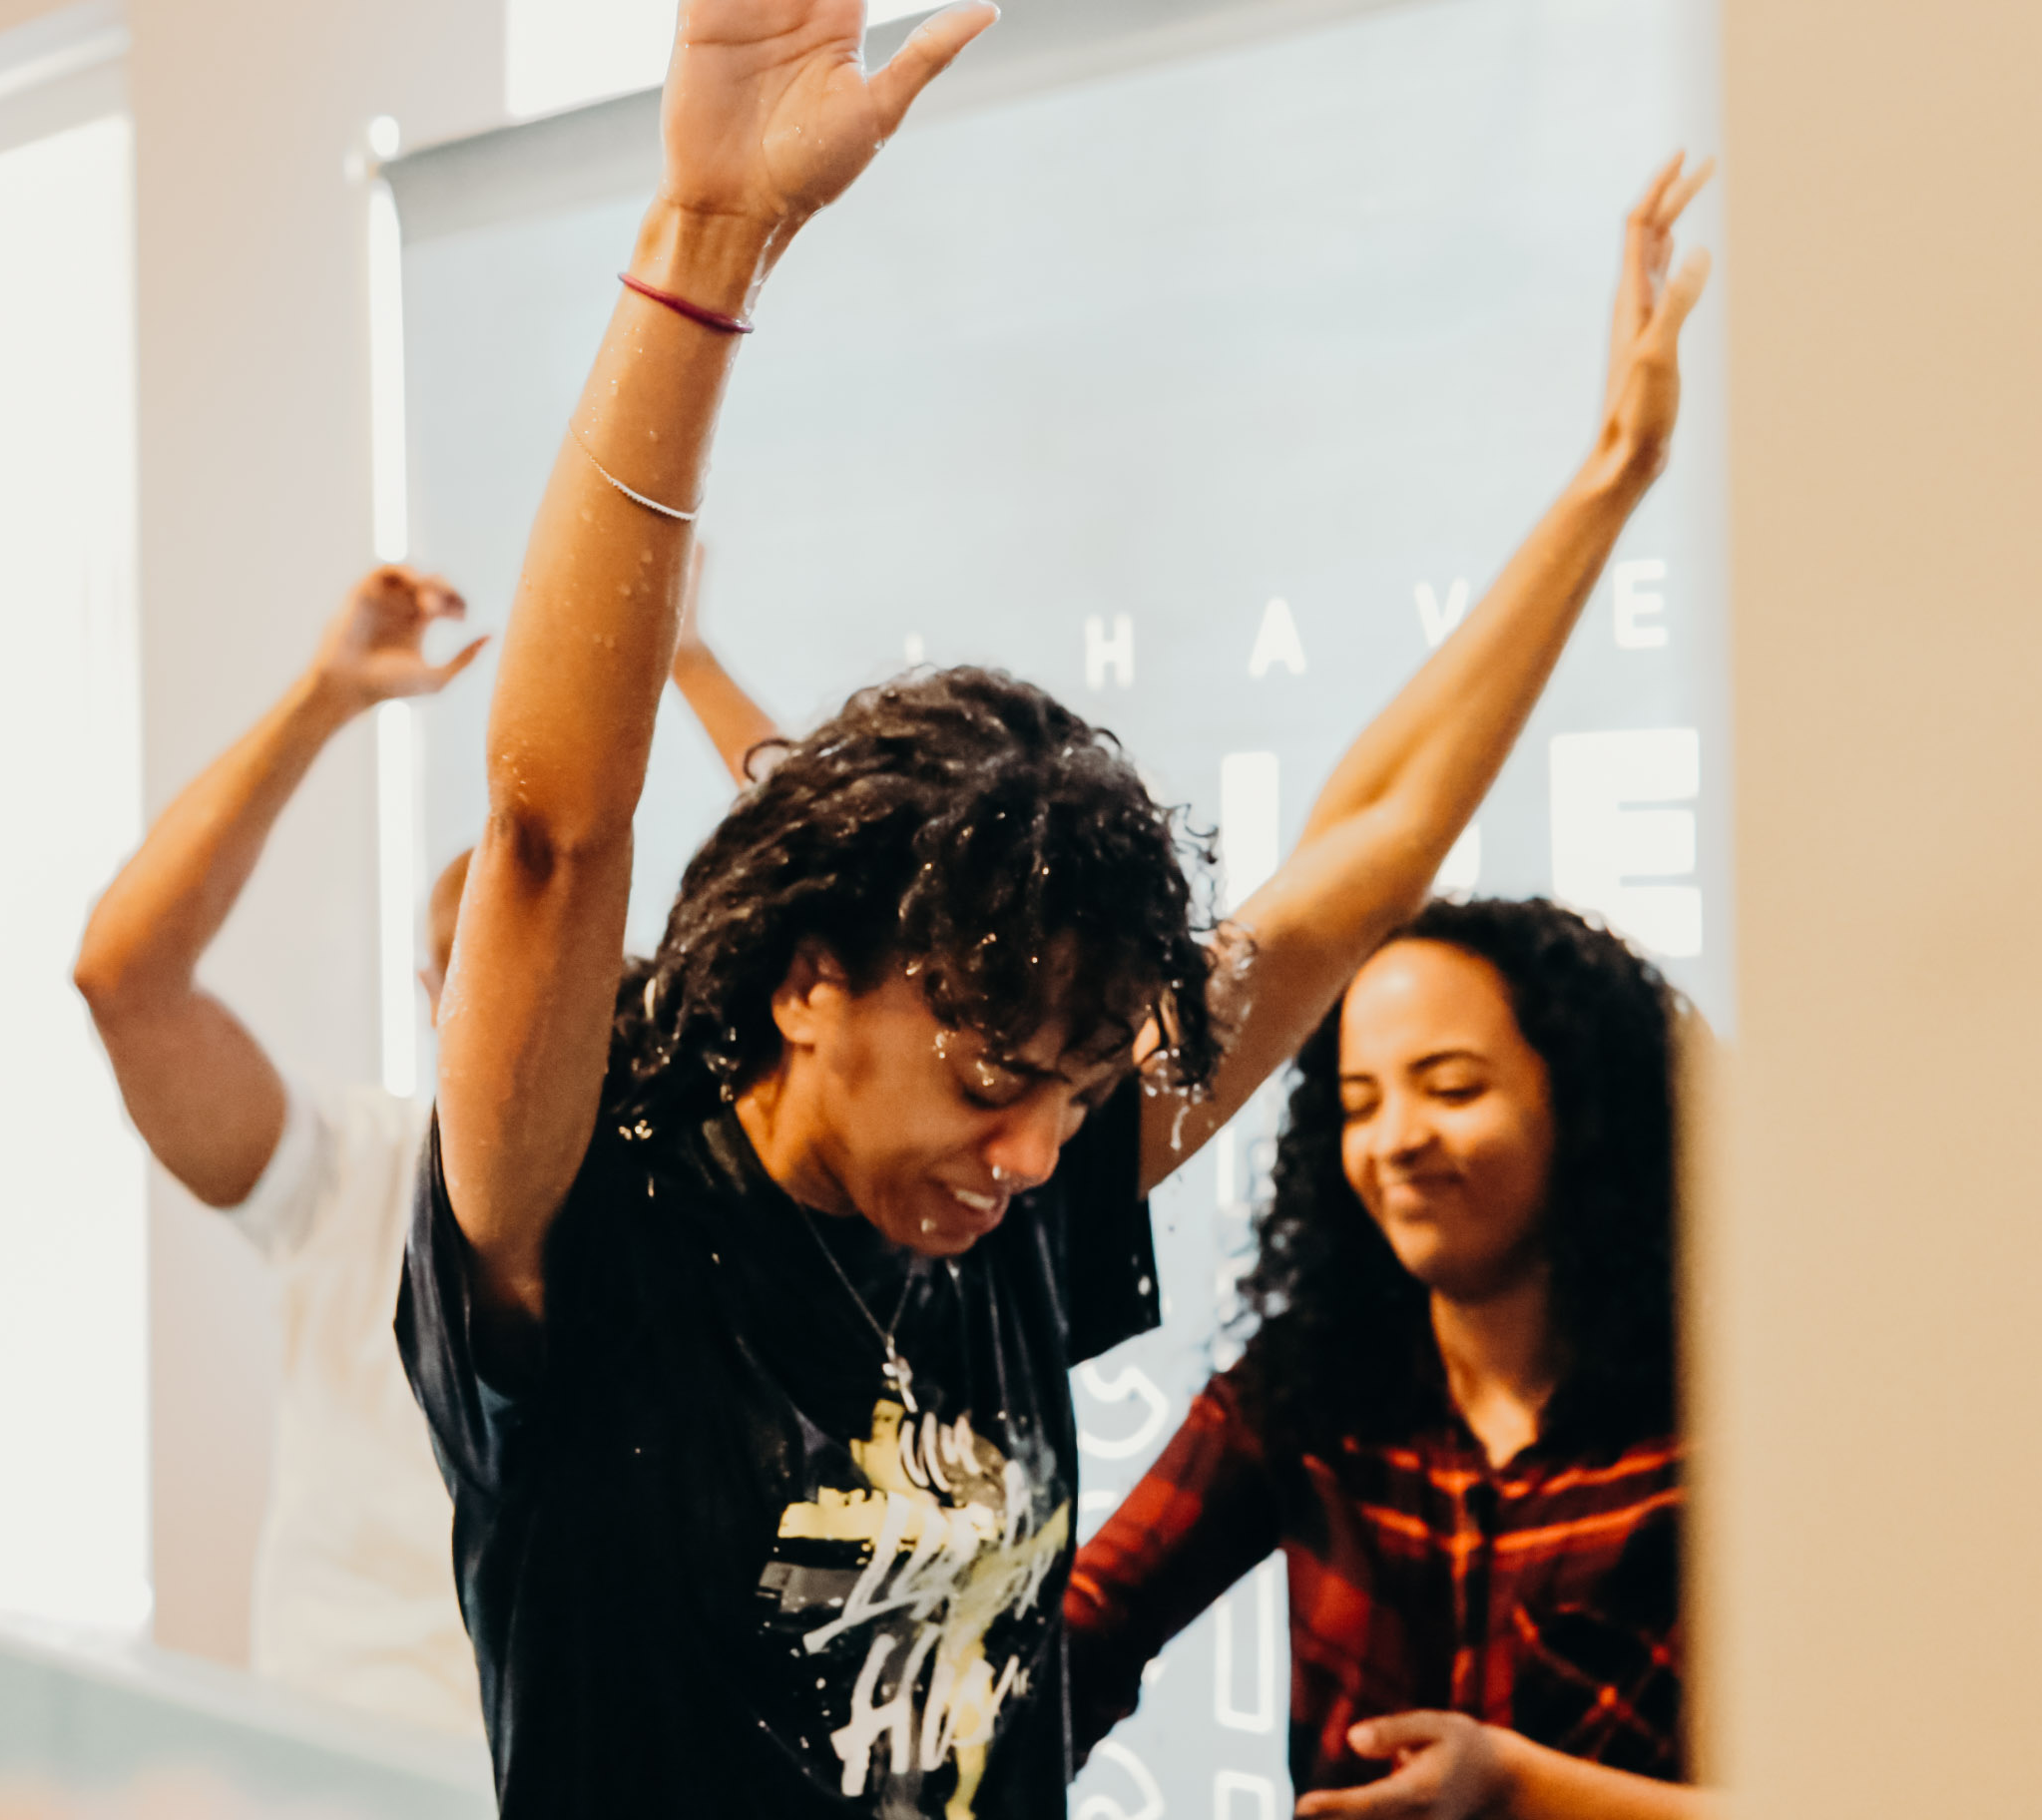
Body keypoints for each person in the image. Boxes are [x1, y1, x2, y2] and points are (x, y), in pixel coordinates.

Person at [397, 0, 1708, 1807]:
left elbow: (1371, 839)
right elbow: (553, 826)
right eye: (990, 1074)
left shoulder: (1010, 1199)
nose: (1030, 1150)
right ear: (806, 979)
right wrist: (704, 241)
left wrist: (1607, 482)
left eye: (1080, 1093)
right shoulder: (589, 1221)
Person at [73, 562, 775, 1735]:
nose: (528, 1009)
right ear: (432, 993)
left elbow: (860, 937)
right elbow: (126, 982)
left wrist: (688, 660)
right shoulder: (345, 1173)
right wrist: (324, 697)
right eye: (490, 974)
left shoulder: (698, 1191)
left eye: (568, 969)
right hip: (355, 1766)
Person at [1067, 899, 1701, 1820]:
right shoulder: (1307, 1389)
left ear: (1591, 1106)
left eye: (1451, 1089)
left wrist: (1527, 1790)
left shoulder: (1729, 1425)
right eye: (1361, 1104)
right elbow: (1088, 1629)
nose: (1398, 1141)